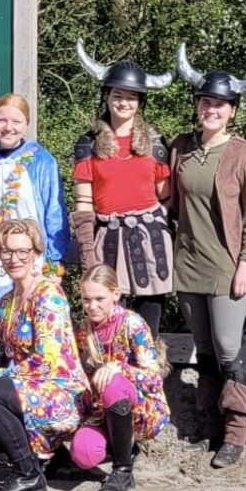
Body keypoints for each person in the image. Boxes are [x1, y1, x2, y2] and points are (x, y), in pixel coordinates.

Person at [169, 48, 246, 468]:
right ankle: (209, 426)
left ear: (232, 112)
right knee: (204, 349)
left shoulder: (245, 153)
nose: (211, 109)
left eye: (220, 104)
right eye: (206, 102)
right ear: (197, 105)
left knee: (230, 349)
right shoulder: (181, 148)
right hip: (188, 263)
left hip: (227, 266)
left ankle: (236, 432)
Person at [0, 220, 88, 491]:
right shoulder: (6, 302)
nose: (14, 259)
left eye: (22, 251)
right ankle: (51, 457)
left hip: (59, 390)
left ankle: (27, 473)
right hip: (28, 387)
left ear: (36, 252)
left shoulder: (49, 294)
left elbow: (46, 361)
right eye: (6, 251)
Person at [71, 43, 174, 336]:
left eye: (131, 97)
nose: (124, 103)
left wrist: (153, 227)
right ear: (107, 97)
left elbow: (166, 197)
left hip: (150, 237)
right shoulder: (88, 144)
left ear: (140, 101)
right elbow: (83, 202)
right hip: (108, 238)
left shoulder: (155, 143)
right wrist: (88, 250)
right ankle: (109, 376)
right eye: (118, 95)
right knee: (107, 318)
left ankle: (146, 375)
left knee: (148, 317)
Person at [0, 93, 70, 335]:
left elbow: (54, 212)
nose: (8, 128)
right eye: (2, 120)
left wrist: (53, 263)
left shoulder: (41, 161)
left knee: (30, 324)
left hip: (32, 257)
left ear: (26, 123)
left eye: (16, 121)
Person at [73, 267, 172, 491]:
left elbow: (154, 379)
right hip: (101, 411)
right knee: (83, 453)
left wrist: (119, 369)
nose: (92, 306)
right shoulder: (83, 332)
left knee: (113, 383)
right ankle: (122, 446)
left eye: (100, 299)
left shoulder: (132, 324)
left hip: (143, 408)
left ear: (116, 294)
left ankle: (122, 470)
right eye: (86, 299)